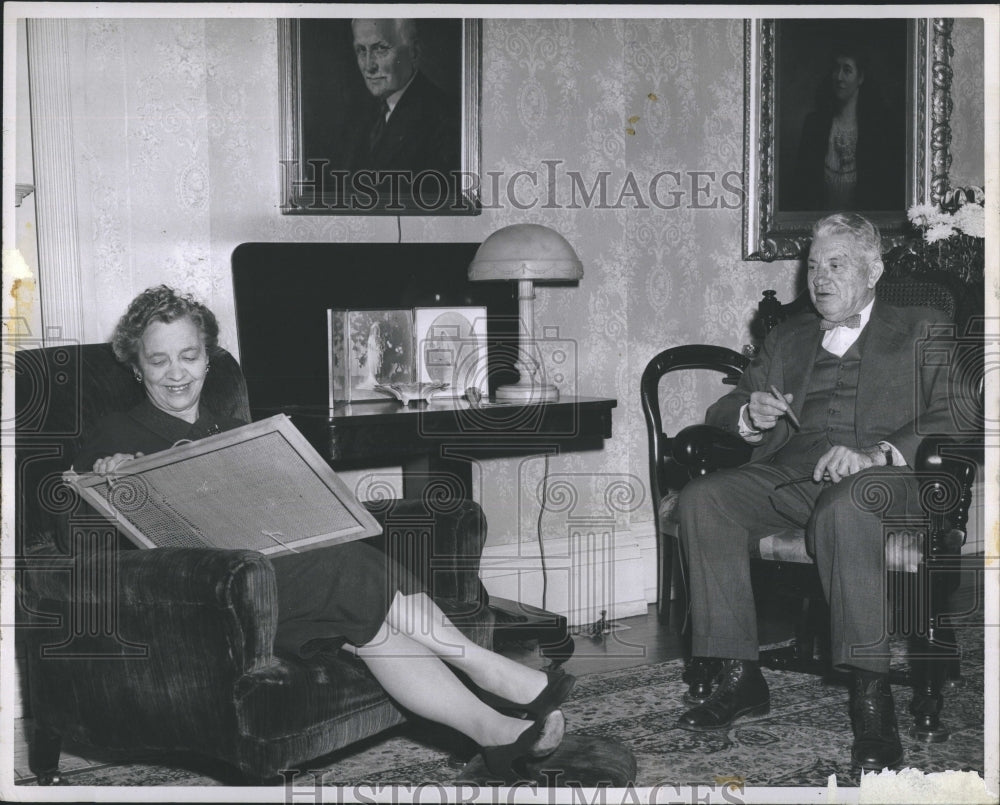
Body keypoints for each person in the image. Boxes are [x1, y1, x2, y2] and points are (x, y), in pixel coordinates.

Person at [73, 285, 574, 783]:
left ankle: (493, 733)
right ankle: (489, 668)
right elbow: (78, 537)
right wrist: (111, 480)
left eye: (189, 355)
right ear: (137, 367)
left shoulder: (233, 431)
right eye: (158, 361)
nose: (176, 372)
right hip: (201, 600)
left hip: (275, 585)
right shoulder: (116, 436)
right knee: (340, 566)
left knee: (374, 622)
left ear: (208, 359)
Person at [674, 213, 956, 771]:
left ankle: (872, 703)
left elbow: (957, 411)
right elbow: (727, 409)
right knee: (703, 500)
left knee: (847, 507)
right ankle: (740, 675)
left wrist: (876, 454)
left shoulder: (924, 326)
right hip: (792, 473)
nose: (819, 278)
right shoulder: (789, 334)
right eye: (812, 266)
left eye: (836, 264)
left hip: (885, 481)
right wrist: (750, 418)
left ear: (873, 270)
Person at [344, 18, 460, 203]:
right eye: (361, 50)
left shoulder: (447, 119)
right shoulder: (359, 115)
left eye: (380, 49)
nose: (368, 66)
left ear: (413, 52)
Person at [789, 42, 904, 211]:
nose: (839, 77)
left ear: (861, 78)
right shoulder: (814, 124)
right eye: (836, 69)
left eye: (847, 70)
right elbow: (803, 188)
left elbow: (884, 191)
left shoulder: (879, 128)